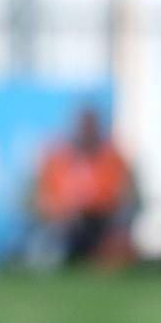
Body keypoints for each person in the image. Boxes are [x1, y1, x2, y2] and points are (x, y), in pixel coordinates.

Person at [31, 107, 135, 267]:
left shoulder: (113, 157)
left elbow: (128, 196)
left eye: (91, 125)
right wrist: (57, 212)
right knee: (55, 235)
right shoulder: (57, 157)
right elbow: (40, 197)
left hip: (103, 219)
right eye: (83, 125)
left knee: (115, 240)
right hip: (66, 221)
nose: (86, 131)